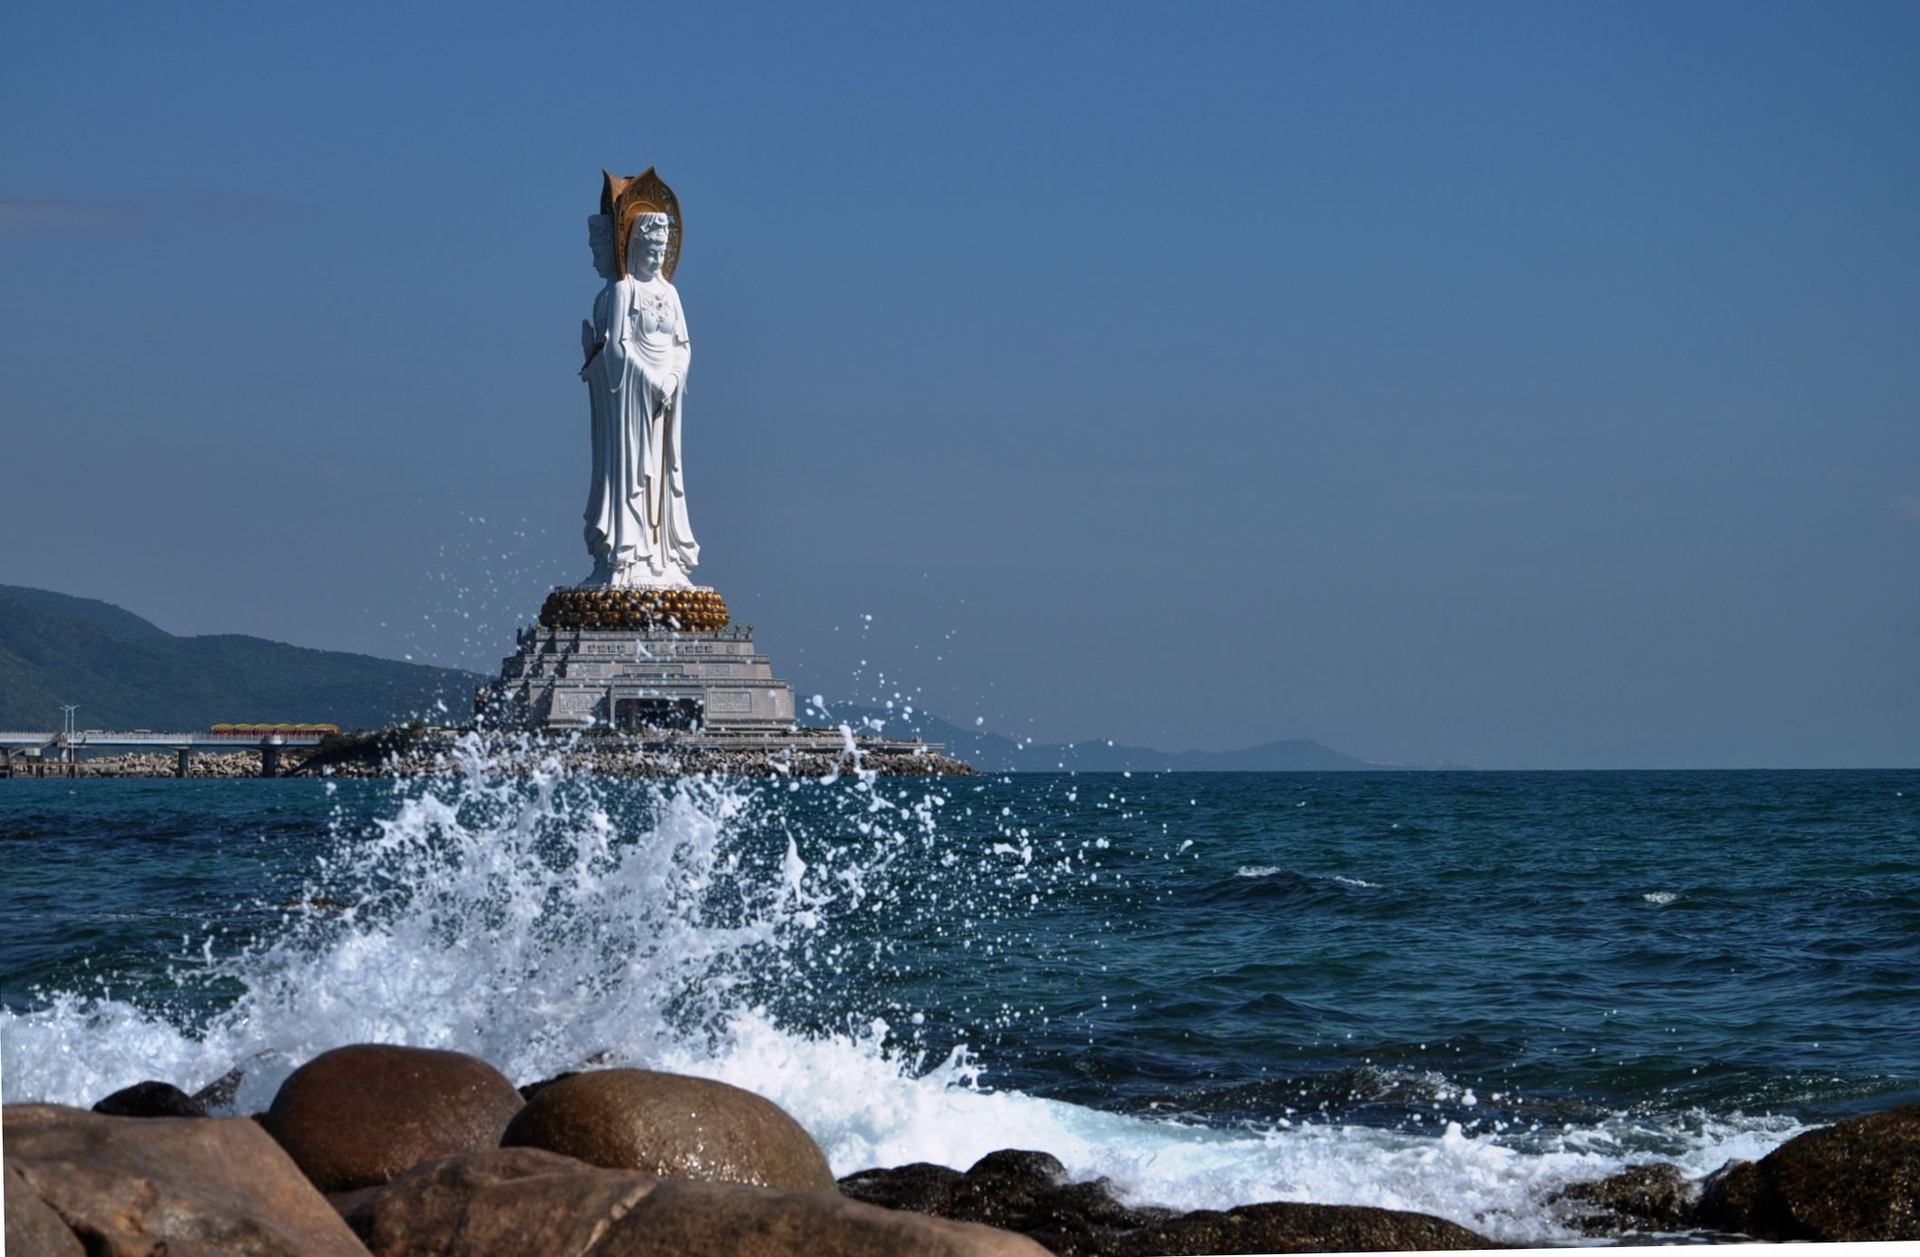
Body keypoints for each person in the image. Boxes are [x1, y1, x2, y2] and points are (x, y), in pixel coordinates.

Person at [580, 208, 698, 588]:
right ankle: (626, 558)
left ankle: (664, 561)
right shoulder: (623, 291)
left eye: (663, 250)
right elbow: (616, 348)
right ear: (634, 247)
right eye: (650, 249)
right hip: (631, 400)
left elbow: (683, 346)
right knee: (632, 471)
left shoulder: (671, 293)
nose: (657, 257)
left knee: (663, 477)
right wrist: (648, 379)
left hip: (665, 399)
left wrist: (674, 376)